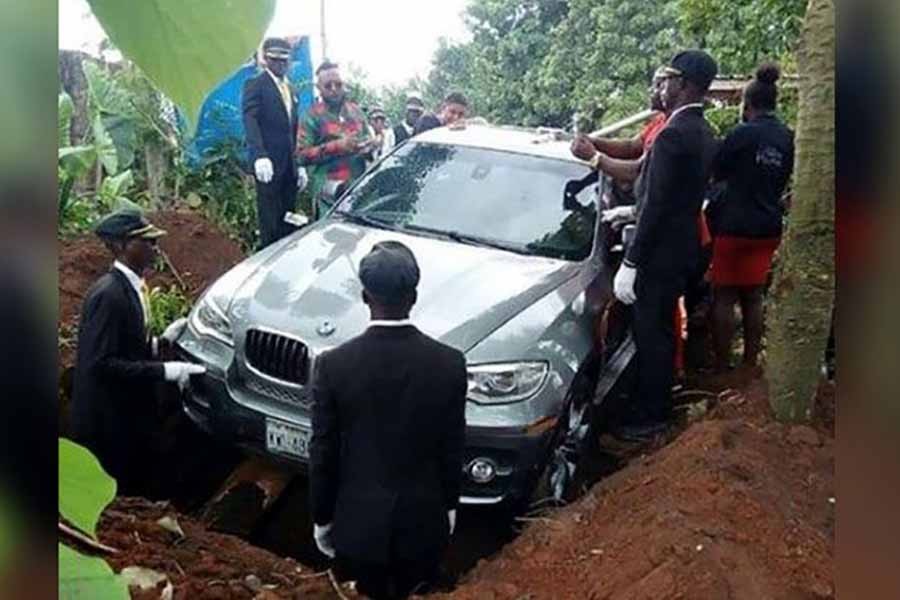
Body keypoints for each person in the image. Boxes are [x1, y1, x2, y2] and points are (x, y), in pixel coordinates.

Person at [309, 241, 467, 599]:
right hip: (424, 523)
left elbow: (323, 451)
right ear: (413, 296)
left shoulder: (334, 366)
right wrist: (451, 505)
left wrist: (322, 517)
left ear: (365, 297)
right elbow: (452, 446)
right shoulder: (449, 363)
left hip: (356, 527)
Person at [612, 50, 719, 439]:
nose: (659, 87)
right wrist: (627, 214)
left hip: (660, 252)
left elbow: (657, 204)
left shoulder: (674, 134)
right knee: (659, 331)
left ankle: (649, 417)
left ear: (686, 84)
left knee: (652, 333)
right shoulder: (701, 131)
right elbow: (671, 197)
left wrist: (632, 261)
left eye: (666, 80)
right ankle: (653, 407)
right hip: (679, 248)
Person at [71, 209, 205, 494]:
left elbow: (124, 346)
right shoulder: (109, 296)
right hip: (108, 423)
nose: (154, 248)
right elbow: (101, 364)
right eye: (146, 242)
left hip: (127, 416)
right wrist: (165, 371)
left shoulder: (131, 288)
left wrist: (159, 344)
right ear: (120, 246)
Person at [707, 64, 795, 372]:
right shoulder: (787, 137)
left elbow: (716, 171)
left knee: (724, 295)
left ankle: (721, 365)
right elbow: (784, 179)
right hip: (768, 226)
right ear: (775, 103)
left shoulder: (742, 134)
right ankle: (749, 364)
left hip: (734, 225)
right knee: (754, 295)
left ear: (748, 105)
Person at [242, 38, 302, 248]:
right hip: (268, 163)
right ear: (266, 60)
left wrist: (299, 162)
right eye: (276, 60)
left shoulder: (292, 90)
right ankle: (269, 261)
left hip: (289, 165)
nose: (281, 65)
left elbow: (292, 130)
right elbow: (250, 120)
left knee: (289, 217)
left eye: (284, 61)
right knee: (270, 219)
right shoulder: (255, 85)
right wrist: (259, 154)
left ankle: (287, 256)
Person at [297, 61, 374, 218]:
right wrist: (337, 146)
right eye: (328, 85)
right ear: (319, 88)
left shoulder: (356, 112)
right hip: (329, 196)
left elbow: (367, 140)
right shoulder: (312, 116)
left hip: (357, 192)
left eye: (338, 84)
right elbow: (301, 156)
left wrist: (370, 147)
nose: (334, 90)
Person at [570, 66, 669, 184]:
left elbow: (638, 171)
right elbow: (631, 146)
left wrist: (594, 157)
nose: (651, 91)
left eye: (658, 86)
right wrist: (594, 141)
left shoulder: (672, 129)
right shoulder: (659, 120)